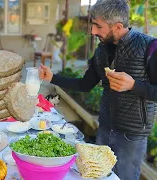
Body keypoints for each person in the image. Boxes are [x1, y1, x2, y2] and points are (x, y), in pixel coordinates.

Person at [39, 0, 157, 180]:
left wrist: (134, 85)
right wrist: (52, 78)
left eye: (98, 26)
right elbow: (85, 84)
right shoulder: (101, 50)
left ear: (117, 26)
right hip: (104, 129)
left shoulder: (149, 47)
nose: (92, 31)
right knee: (97, 176)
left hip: (131, 137)